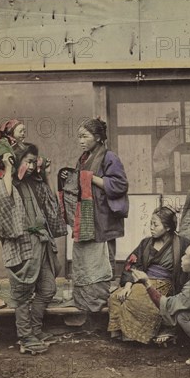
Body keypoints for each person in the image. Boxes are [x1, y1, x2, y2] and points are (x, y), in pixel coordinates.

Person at [0, 143, 67, 354]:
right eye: (28, 161)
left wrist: (47, 175)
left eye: (34, 161)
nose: (31, 166)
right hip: (22, 245)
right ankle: (25, 336)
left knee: (48, 288)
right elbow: (2, 203)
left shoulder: (33, 184)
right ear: (17, 161)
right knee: (22, 294)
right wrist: (7, 168)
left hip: (41, 243)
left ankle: (34, 329)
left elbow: (50, 203)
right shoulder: (6, 184)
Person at [59, 117, 128, 312]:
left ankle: (99, 303)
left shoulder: (109, 157)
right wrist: (71, 176)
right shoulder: (83, 159)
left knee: (101, 260)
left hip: (103, 218)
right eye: (79, 137)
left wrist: (90, 177)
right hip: (87, 216)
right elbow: (80, 182)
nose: (80, 141)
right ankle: (83, 301)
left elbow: (120, 185)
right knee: (84, 259)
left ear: (97, 137)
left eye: (84, 136)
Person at [107, 207, 190, 344]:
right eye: (150, 223)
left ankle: (137, 335)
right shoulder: (146, 243)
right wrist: (128, 285)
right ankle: (122, 333)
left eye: (155, 224)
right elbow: (132, 263)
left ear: (168, 227)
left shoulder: (182, 244)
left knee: (134, 300)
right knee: (116, 296)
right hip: (141, 280)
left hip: (164, 284)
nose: (151, 227)